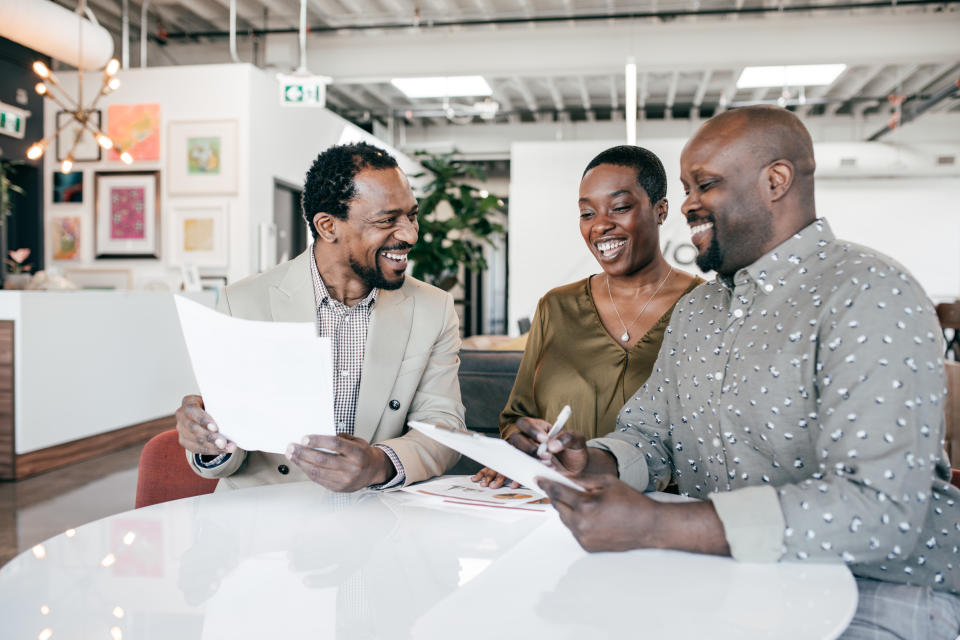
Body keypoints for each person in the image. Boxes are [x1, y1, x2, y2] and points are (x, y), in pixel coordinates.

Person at [534, 106, 960, 639]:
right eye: (687, 187)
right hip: (737, 581)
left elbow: (878, 510)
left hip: (882, 591)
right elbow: (649, 435)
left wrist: (658, 525)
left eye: (705, 184)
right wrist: (593, 459)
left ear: (776, 181)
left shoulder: (870, 293)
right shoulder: (697, 311)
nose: (688, 204)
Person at [176, 141, 464, 492]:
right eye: (387, 220)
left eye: (412, 215)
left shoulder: (433, 309)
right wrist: (210, 442)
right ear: (328, 226)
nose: (409, 234)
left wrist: (379, 463)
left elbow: (444, 427)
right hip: (262, 522)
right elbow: (226, 452)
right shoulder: (244, 303)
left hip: (374, 515)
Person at [474, 146, 701, 488]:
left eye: (620, 208)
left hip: (666, 518)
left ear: (660, 210)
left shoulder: (704, 308)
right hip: (557, 512)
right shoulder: (557, 307)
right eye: (587, 213)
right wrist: (523, 445)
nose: (601, 226)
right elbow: (516, 417)